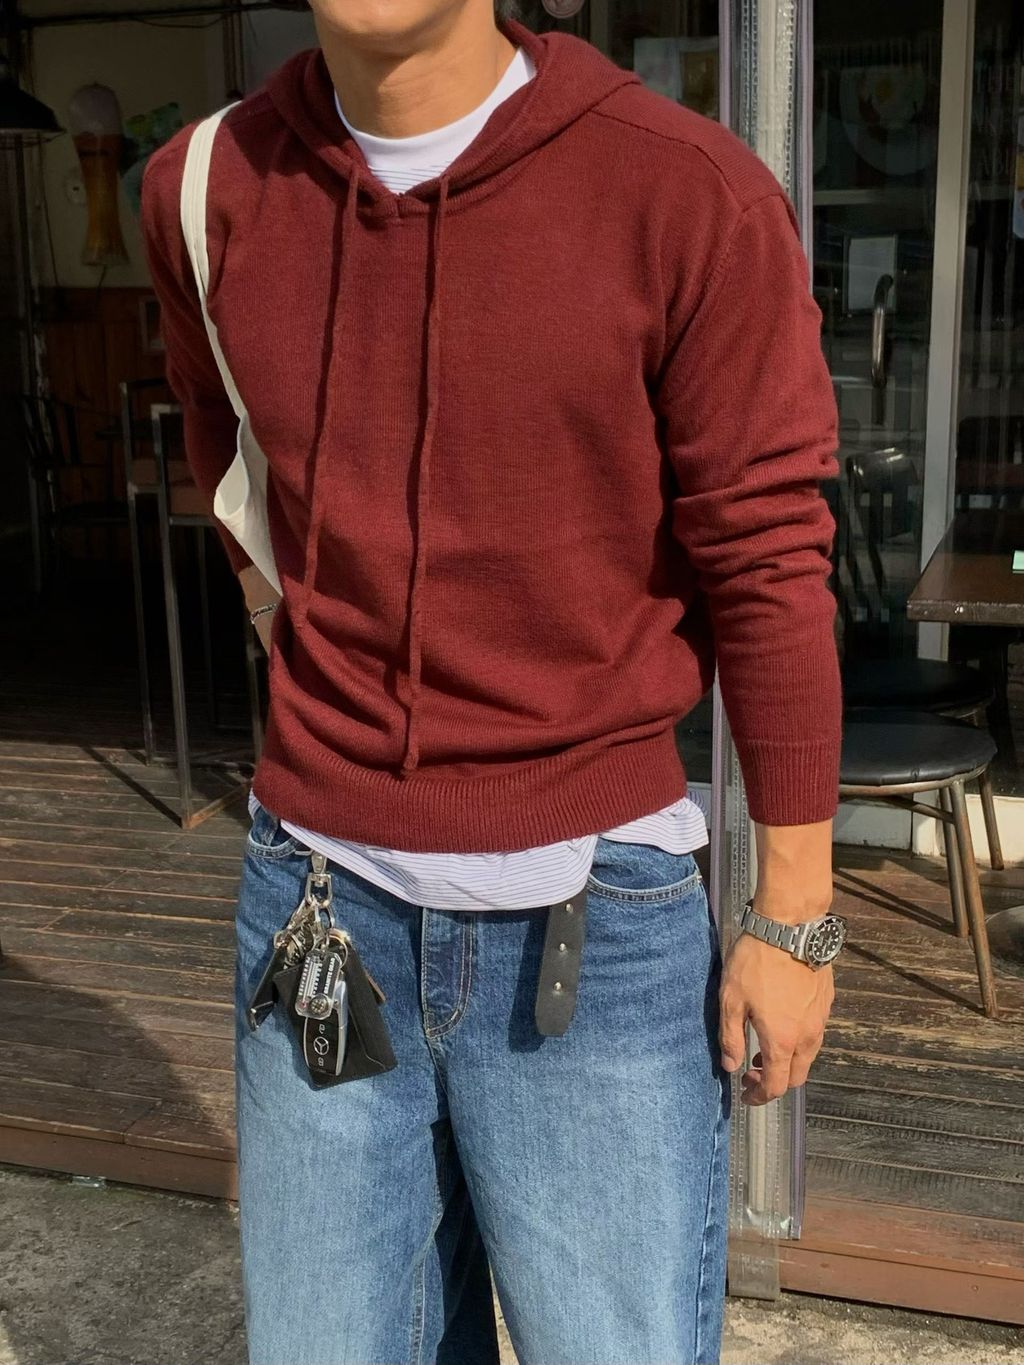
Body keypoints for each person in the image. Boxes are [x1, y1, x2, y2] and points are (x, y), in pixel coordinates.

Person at [141, 0, 842, 1360]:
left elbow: (767, 556)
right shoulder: (207, 190)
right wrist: (287, 624)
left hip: (594, 922)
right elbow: (224, 449)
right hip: (320, 899)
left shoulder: (680, 193)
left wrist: (796, 913)